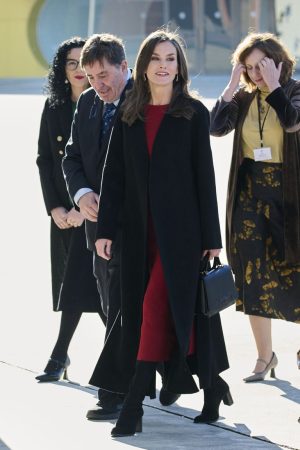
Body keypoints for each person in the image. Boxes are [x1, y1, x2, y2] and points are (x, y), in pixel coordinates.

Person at [95, 29, 232, 437]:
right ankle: (213, 387)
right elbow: (114, 176)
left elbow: (204, 177)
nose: (163, 65)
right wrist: (105, 229)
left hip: (182, 236)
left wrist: (212, 235)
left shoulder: (192, 113)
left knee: (154, 310)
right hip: (139, 234)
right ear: (143, 64)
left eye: (171, 58)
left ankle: (134, 404)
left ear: (180, 66)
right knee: (176, 316)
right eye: (156, 57)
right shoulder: (128, 112)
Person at [62, 33, 177, 421]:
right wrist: (81, 194)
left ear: (126, 68)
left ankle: (118, 389)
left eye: (105, 75)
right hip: (100, 229)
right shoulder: (89, 105)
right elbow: (72, 157)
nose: (98, 84)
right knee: (112, 303)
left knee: (134, 306)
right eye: (90, 76)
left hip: (142, 225)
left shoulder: (147, 102)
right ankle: (135, 378)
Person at [210, 32, 300, 383]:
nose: (255, 74)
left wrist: (275, 86)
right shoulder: (245, 97)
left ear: (277, 60)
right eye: (248, 68)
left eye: (260, 65)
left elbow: (292, 122)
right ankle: (265, 357)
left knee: (294, 268)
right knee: (252, 272)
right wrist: (232, 84)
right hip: (250, 195)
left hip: (288, 193)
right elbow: (216, 128)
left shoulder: (292, 90)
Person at [36, 37, 102, 382]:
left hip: (92, 213)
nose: (78, 70)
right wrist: (55, 208)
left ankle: (60, 355)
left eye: (83, 62)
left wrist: (81, 207)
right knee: (76, 286)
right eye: (71, 63)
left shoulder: (103, 103)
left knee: (87, 288)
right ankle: (131, 357)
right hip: (64, 216)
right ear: (62, 70)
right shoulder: (54, 107)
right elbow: (45, 160)